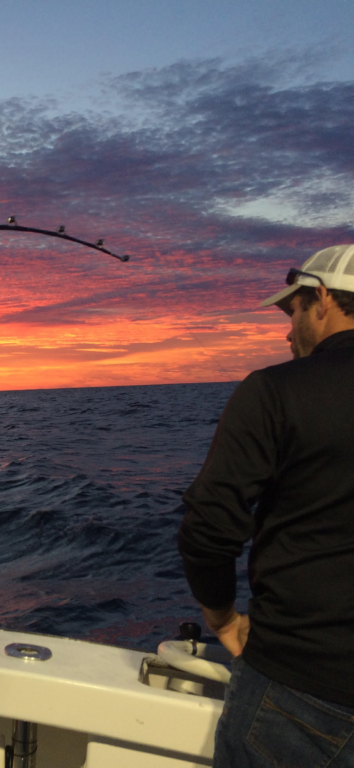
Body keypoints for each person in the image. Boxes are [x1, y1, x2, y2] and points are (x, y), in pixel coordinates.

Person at [178, 245, 354, 767]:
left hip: (303, 688)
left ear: (322, 299)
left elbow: (208, 529)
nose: (287, 329)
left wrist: (225, 620)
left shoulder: (275, 390)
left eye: (294, 310)